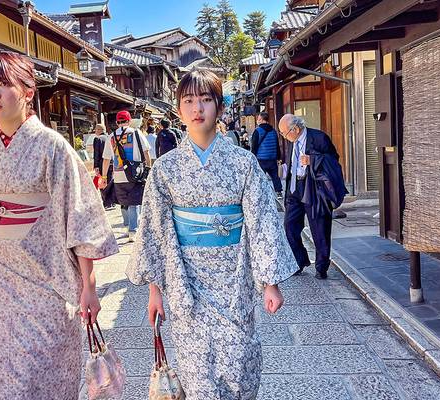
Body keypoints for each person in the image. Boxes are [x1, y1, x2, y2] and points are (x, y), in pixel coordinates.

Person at [0, 52, 118, 398]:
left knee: (43, 375)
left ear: (27, 91)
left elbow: (78, 217)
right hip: (0, 283)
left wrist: (89, 286)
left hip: (49, 281)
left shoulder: (53, 147)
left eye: (4, 85)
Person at [127, 69, 297, 399]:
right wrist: (154, 290)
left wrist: (269, 282)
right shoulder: (165, 168)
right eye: (189, 101)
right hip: (184, 281)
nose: (197, 108)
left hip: (234, 280)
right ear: (178, 109)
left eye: (206, 100)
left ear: (219, 107)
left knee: (239, 366)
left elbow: (261, 222)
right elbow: (154, 230)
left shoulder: (243, 163)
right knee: (196, 369)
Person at [279, 113, 339, 279]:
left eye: (284, 133)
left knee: (319, 228)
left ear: (296, 129)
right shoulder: (292, 142)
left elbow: (334, 161)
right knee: (290, 226)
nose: (283, 137)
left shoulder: (319, 138)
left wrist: (313, 160)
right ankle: (299, 261)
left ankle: (321, 266)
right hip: (294, 188)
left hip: (313, 187)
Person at [100, 111, 152, 242]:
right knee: (134, 201)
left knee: (123, 202)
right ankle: (133, 231)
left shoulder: (111, 136)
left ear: (117, 122)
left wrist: (104, 176)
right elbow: (146, 152)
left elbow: (106, 159)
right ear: (129, 121)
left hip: (118, 174)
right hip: (134, 173)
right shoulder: (136, 133)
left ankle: (127, 225)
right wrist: (148, 169)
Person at [250, 112, 283, 196]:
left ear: (261, 120)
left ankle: (260, 193)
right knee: (275, 176)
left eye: (258, 119)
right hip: (272, 158)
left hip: (261, 159)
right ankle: (279, 192)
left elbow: (254, 146)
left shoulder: (257, 131)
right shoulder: (273, 131)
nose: (257, 120)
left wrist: (252, 158)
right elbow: (277, 145)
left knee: (260, 177)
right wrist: (279, 157)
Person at [92, 124, 115, 209]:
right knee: (110, 182)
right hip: (112, 163)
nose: (95, 131)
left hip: (102, 163)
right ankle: (112, 202)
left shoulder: (97, 139)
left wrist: (96, 166)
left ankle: (107, 203)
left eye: (96, 129)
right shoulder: (110, 138)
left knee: (102, 183)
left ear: (99, 130)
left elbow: (96, 154)